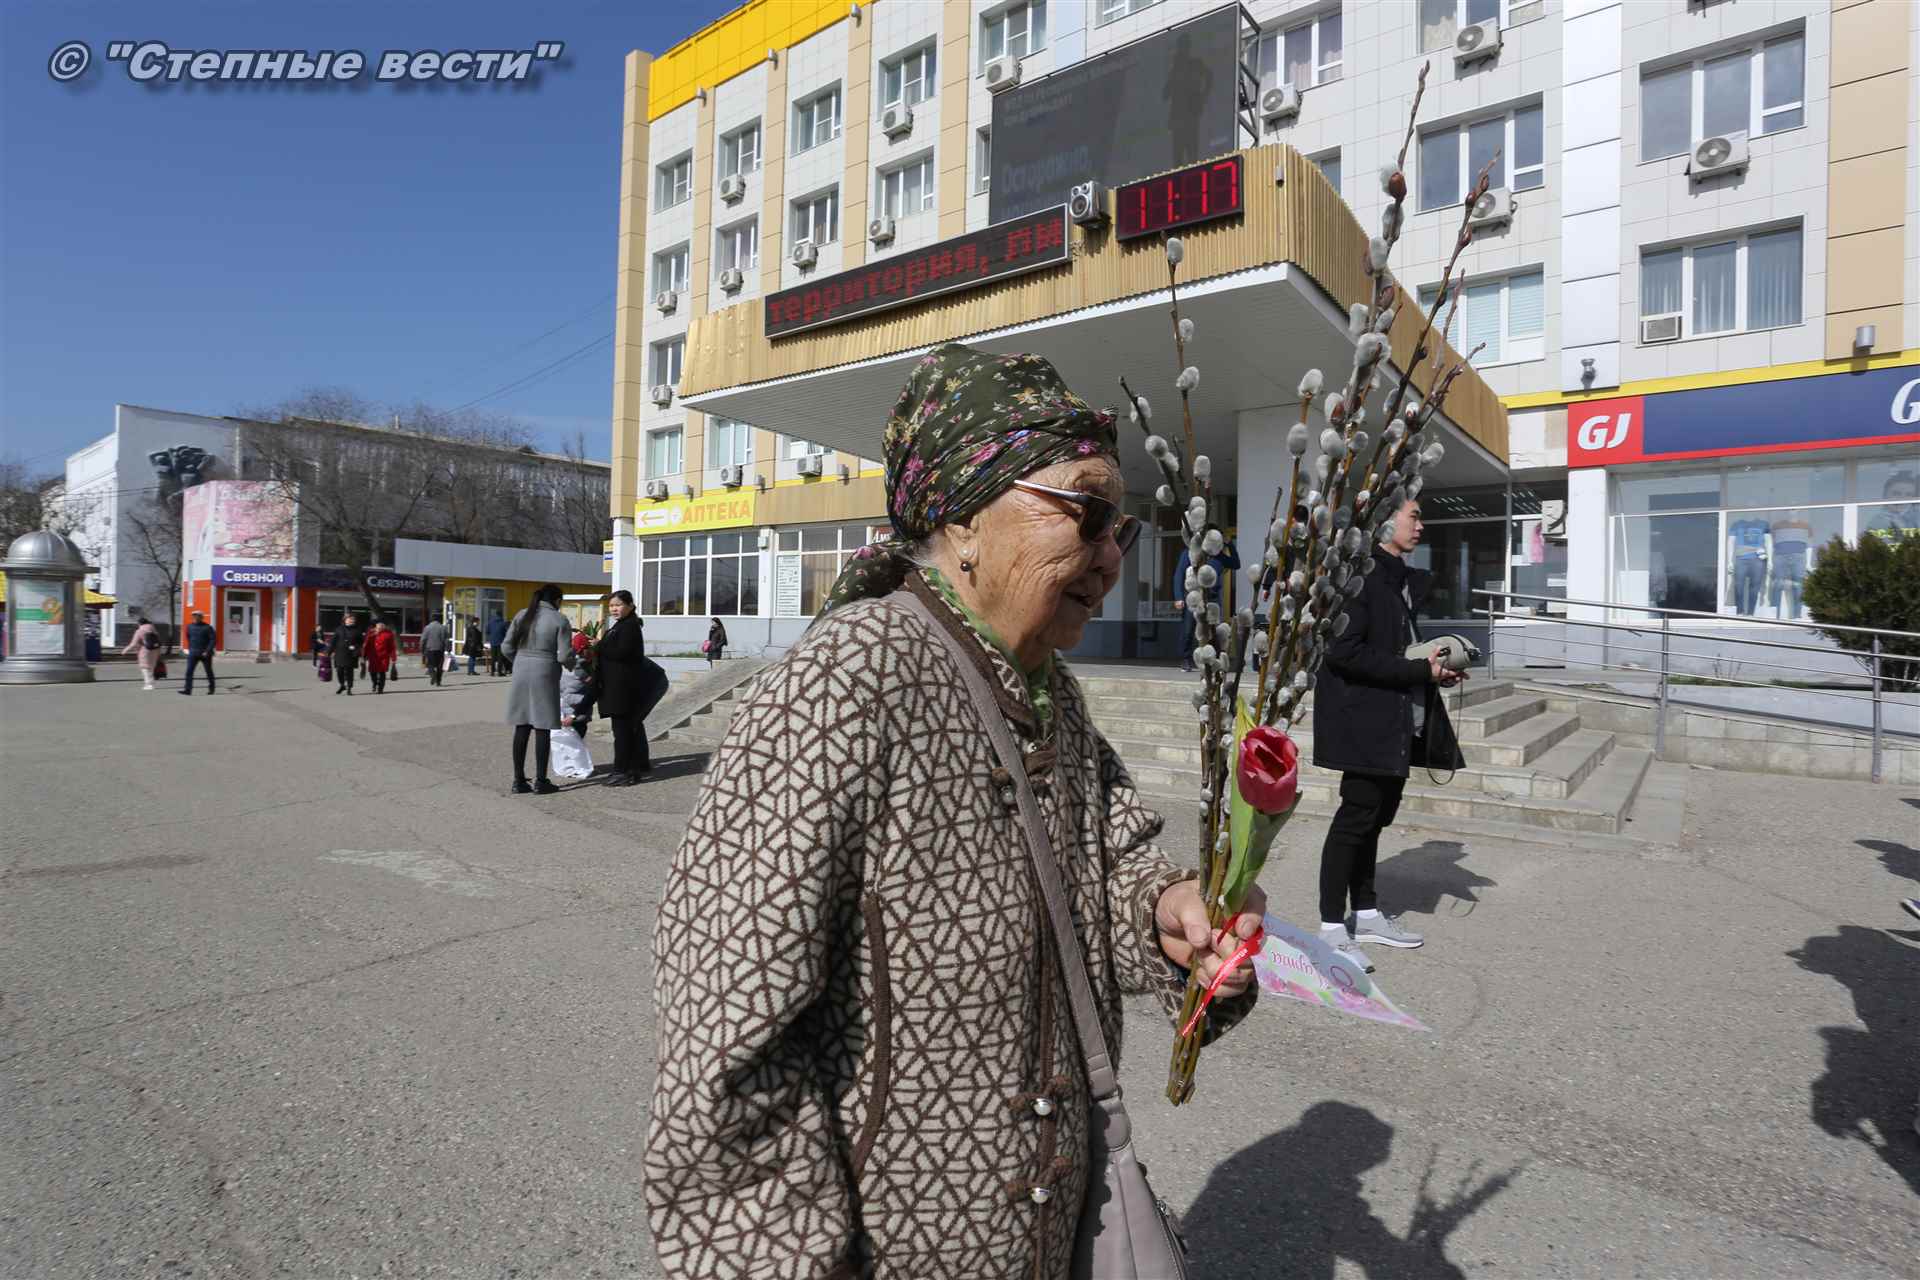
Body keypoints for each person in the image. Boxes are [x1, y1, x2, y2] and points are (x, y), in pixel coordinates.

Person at [644, 344, 1262, 1278]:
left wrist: (1171, 916)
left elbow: (1112, 860)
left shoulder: (1050, 691)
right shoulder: (848, 680)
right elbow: (726, 1039)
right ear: (966, 518)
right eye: (1088, 513)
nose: (1109, 557)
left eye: (1123, 529)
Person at [1311, 495, 1467, 974]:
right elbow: (1343, 653)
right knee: (1354, 820)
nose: (1421, 525)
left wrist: (1434, 671)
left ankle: (1366, 913)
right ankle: (1331, 929)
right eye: (1413, 516)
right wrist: (1418, 670)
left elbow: (1398, 651)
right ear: (1384, 522)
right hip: (1363, 722)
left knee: (1374, 820)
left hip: (1394, 720)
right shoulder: (1359, 577)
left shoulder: (1397, 580)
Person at [501, 584, 574, 794]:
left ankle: (518, 781)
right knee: (543, 726)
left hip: (521, 669)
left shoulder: (522, 614)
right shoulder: (559, 619)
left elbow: (506, 647)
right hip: (545, 671)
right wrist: (574, 665)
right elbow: (564, 655)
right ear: (557, 601)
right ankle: (541, 781)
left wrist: (520, 662)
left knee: (522, 725)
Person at [594, 589, 656, 786]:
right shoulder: (620, 625)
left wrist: (599, 645)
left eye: (618, 605)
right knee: (625, 731)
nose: (614, 609)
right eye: (611, 606)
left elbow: (622, 652)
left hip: (624, 689)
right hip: (617, 687)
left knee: (622, 733)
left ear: (629, 606)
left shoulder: (629, 626)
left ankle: (623, 772)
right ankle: (632, 769)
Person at [1173, 532, 1241, 671]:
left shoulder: (1219, 556)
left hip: (1212, 599)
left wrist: (1230, 545)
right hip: (1194, 597)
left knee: (1213, 630)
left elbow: (1236, 564)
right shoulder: (1191, 553)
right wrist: (1179, 597)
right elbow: (1179, 574)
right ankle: (1185, 659)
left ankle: (1211, 660)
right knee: (1188, 629)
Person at [1864, 470, 1918, 542]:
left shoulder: (1916, 518)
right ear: (1885, 496)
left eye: (1908, 495)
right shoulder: (1876, 523)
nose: (1902, 499)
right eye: (1896, 494)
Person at [180, 611, 216, 695]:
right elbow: (188, 637)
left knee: (208, 671)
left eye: (197, 616)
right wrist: (190, 649)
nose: (195, 617)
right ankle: (187, 690)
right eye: (194, 616)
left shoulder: (208, 627)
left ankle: (211, 689)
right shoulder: (189, 627)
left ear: (201, 617)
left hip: (205, 654)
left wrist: (207, 651)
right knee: (189, 671)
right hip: (193, 653)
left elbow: (213, 640)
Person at [122, 616, 161, 690]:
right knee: (151, 667)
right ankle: (151, 683)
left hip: (145, 651)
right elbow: (158, 641)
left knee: (145, 668)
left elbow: (133, 643)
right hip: (155, 650)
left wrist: (125, 650)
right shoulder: (154, 630)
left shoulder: (140, 631)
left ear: (139, 623)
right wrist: (159, 652)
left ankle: (149, 684)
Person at [331, 612, 365, 695]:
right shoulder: (339, 629)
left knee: (349, 671)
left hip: (351, 654)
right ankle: (342, 685)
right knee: (339, 671)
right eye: (350, 619)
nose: (352, 620)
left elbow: (361, 643)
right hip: (340, 653)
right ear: (345, 620)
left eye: (353, 619)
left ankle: (349, 688)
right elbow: (333, 642)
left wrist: (356, 647)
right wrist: (328, 652)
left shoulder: (358, 630)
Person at [363, 618, 397, 693]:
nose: (380, 626)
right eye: (378, 625)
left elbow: (392, 647)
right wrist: (364, 655)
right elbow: (366, 645)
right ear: (376, 626)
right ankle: (375, 683)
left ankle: (380, 688)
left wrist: (393, 658)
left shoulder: (388, 634)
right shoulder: (370, 633)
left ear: (384, 626)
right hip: (373, 656)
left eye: (382, 625)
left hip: (384, 657)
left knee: (382, 672)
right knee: (372, 672)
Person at [420, 615, 449, 687]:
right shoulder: (443, 628)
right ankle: (438, 682)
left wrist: (422, 649)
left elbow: (423, 640)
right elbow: (446, 640)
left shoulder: (427, 628)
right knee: (440, 666)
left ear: (431, 620)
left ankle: (433, 675)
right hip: (440, 649)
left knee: (430, 665)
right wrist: (448, 649)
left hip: (430, 649)